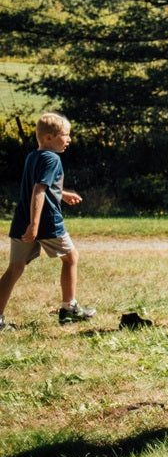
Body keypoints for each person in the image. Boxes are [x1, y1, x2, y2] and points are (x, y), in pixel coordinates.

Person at [0, 112, 95, 329]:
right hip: (46, 223)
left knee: (14, 268)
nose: (69, 139)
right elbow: (38, 191)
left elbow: (44, 188)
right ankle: (69, 308)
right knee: (71, 258)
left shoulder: (33, 156)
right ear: (49, 138)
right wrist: (35, 225)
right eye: (65, 135)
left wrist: (63, 193)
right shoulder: (53, 159)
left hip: (21, 221)